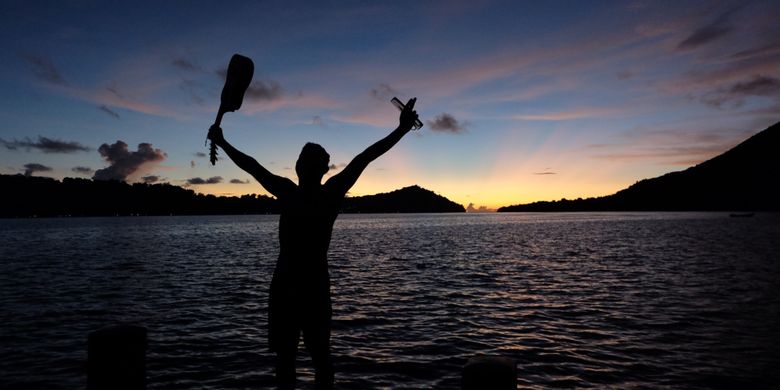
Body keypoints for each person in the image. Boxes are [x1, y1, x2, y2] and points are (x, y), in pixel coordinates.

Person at [207, 98, 420, 389]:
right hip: (314, 286)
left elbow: (253, 167)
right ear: (324, 169)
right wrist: (402, 130)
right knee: (320, 358)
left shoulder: (289, 191)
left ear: (299, 167)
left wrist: (224, 141)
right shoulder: (329, 194)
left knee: (288, 361)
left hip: (287, 285)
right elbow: (366, 156)